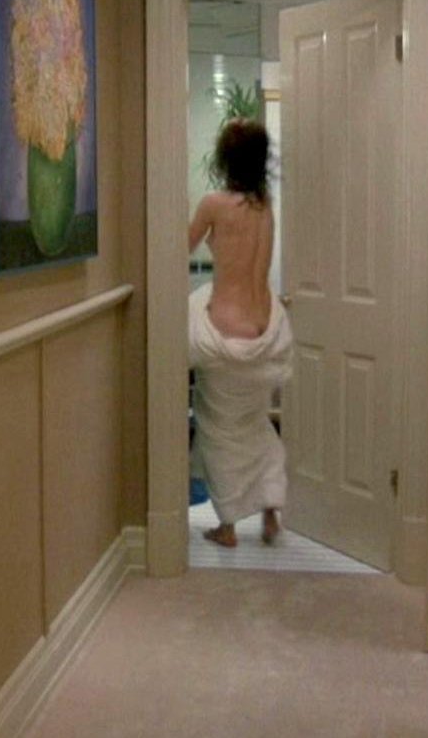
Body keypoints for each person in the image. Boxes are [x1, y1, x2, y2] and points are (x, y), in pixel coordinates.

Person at [188, 118, 293, 548]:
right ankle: (270, 514)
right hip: (267, 330)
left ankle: (228, 525)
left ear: (224, 159)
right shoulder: (264, 205)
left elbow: (175, 250)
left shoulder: (213, 205)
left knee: (218, 432)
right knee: (255, 425)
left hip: (225, 332)